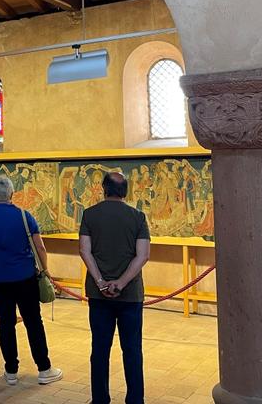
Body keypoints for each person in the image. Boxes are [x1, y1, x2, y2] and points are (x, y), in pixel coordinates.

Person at [0, 176, 62, 386]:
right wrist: (45, 269)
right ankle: (44, 368)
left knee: (6, 322)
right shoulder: (23, 215)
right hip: (24, 276)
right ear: (11, 194)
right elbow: (40, 246)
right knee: (33, 321)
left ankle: (11, 370)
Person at [79, 172, 150, 404]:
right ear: (126, 192)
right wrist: (121, 283)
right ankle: (135, 400)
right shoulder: (138, 217)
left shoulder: (90, 214)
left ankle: (100, 398)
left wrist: (100, 281)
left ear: (103, 189)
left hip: (98, 296)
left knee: (99, 349)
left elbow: (84, 250)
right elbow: (143, 255)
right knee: (132, 350)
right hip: (130, 296)